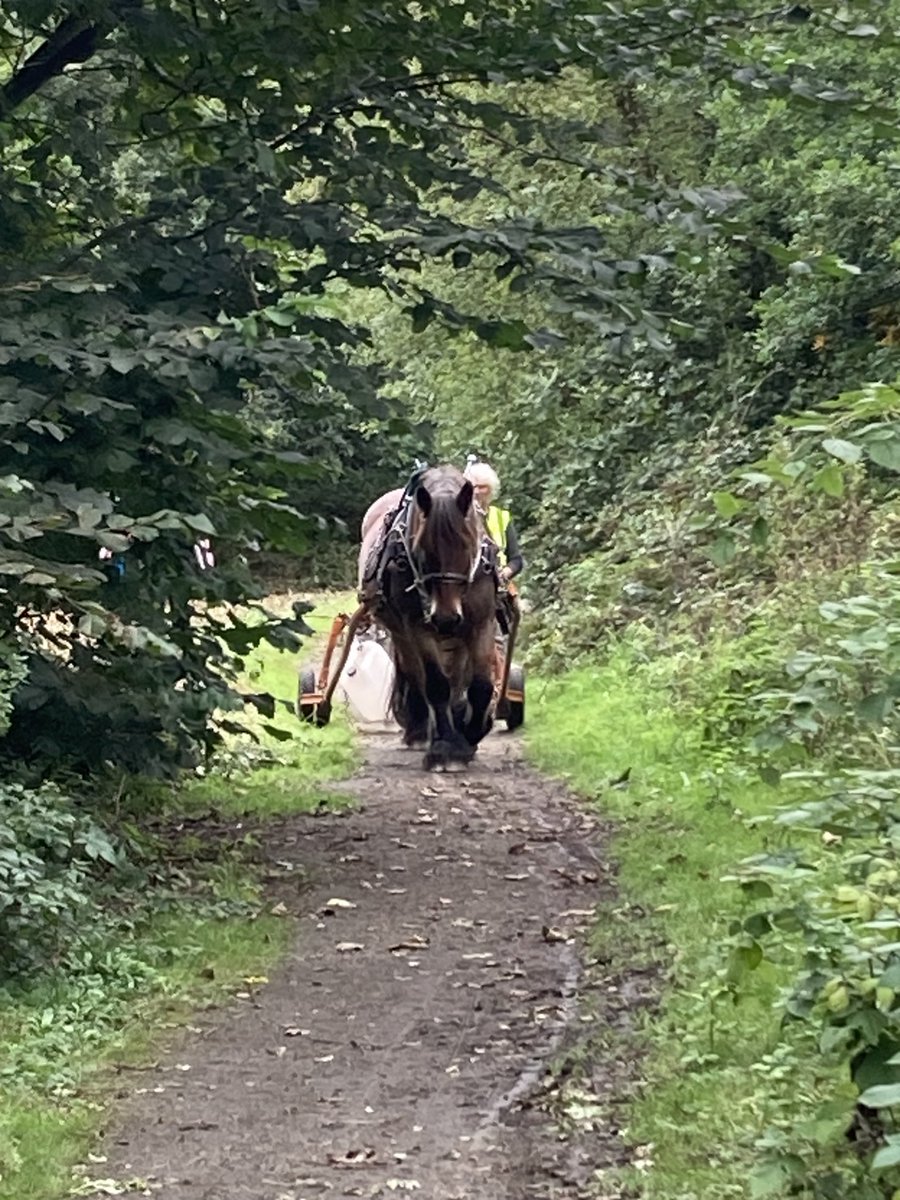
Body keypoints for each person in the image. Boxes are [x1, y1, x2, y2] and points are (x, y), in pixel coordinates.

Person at [463, 460, 524, 586]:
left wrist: (506, 572)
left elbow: (516, 560)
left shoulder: (502, 517)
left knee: (518, 605)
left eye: (482, 487)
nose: (476, 492)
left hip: (498, 584)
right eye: (473, 487)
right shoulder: (459, 519)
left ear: (490, 489)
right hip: (467, 585)